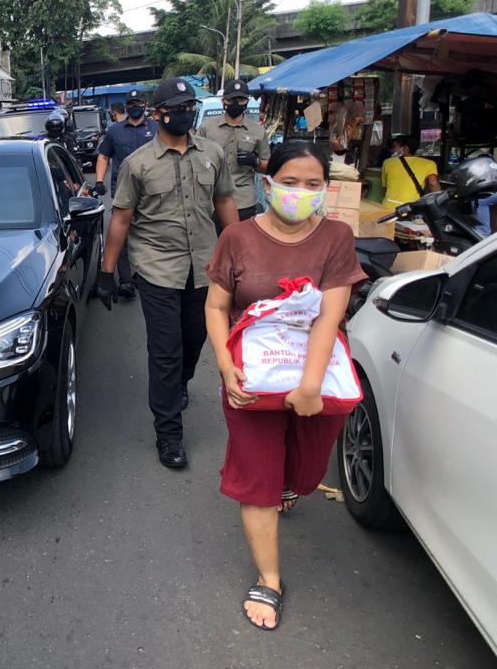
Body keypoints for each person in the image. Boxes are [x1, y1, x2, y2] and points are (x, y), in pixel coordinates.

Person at [204, 140, 366, 632]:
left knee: (307, 471)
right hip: (252, 377)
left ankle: (291, 484)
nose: (300, 192)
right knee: (258, 480)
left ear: (325, 188)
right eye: (290, 182)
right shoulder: (236, 237)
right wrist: (225, 366)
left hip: (316, 375)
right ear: (266, 183)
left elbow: (330, 316)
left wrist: (311, 387)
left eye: (312, 184)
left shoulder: (337, 237)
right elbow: (216, 306)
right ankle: (269, 578)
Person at [96, 77, 239, 469]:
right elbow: (121, 219)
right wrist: (108, 271)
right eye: (177, 109)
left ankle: (180, 384)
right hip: (157, 269)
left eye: (189, 107)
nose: (185, 114)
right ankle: (169, 434)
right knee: (165, 352)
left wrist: (241, 253)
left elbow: (225, 202)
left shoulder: (211, 153)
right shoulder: (138, 164)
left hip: (204, 269)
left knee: (194, 343)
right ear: (158, 115)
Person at [93, 89, 158, 300]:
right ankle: (126, 281)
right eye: (131, 104)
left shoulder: (157, 129)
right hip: (123, 191)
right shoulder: (115, 131)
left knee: (151, 233)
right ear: (126, 107)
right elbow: (103, 157)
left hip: (153, 192)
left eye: (138, 103)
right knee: (121, 234)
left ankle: (150, 276)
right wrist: (99, 181)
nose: (135, 106)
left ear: (145, 105)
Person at [197, 79, 270, 222]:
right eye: (231, 100)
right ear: (223, 101)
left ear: (247, 101)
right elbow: (193, 158)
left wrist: (255, 161)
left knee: (241, 236)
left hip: (243, 199)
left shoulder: (257, 131)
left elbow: (268, 166)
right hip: (211, 198)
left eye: (241, 100)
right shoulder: (207, 127)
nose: (236, 104)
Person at [380, 135, 441, 205]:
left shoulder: (387, 162)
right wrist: (439, 202)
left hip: (387, 206)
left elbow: (385, 187)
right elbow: (433, 184)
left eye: (394, 147)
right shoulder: (429, 164)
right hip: (409, 208)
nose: (392, 150)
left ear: (406, 149)